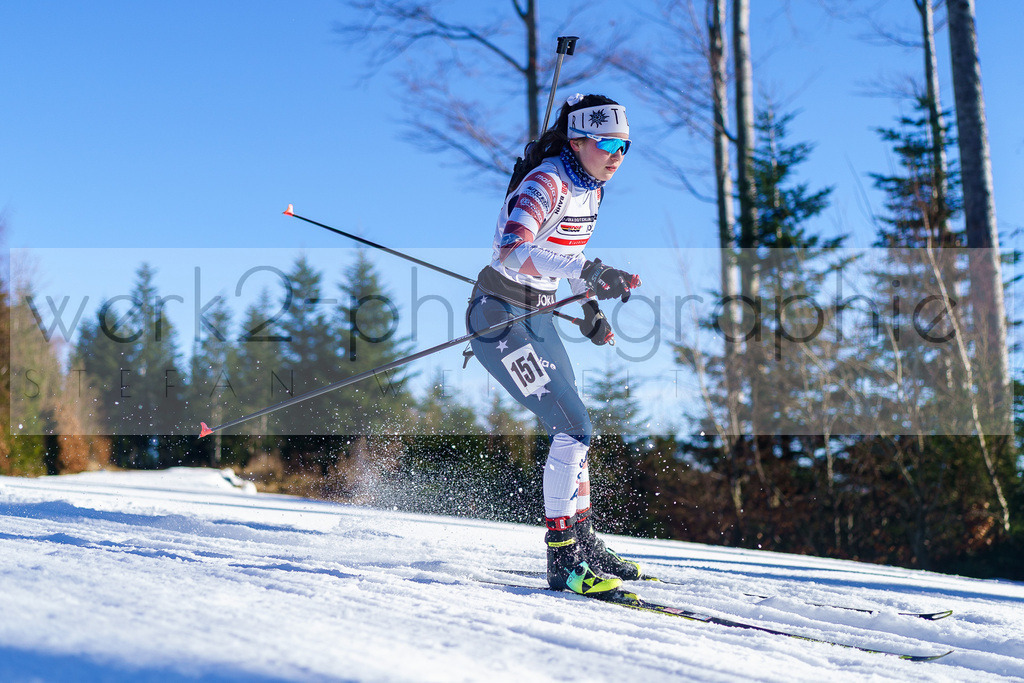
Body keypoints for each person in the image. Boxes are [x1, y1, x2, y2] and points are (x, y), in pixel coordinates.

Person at [466, 94, 643, 597]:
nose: (616, 157)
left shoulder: (592, 189)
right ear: (577, 140)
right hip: (499, 318)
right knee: (574, 428)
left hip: (538, 315)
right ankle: (562, 560)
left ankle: (584, 541)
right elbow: (514, 249)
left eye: (625, 148)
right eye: (607, 144)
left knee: (575, 426)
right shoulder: (547, 181)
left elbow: (567, 253)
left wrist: (589, 306)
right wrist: (588, 272)